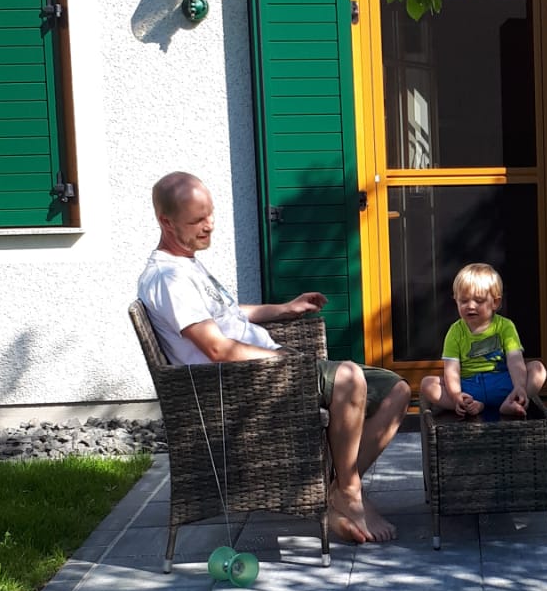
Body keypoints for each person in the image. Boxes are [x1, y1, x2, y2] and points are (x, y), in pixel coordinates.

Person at [137, 171, 410, 545]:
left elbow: (226, 316)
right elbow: (216, 348)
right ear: (165, 221)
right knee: (348, 379)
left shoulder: (187, 264)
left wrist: (283, 309)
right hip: (239, 387)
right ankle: (348, 491)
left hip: (264, 369)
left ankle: (335, 490)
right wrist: (279, 357)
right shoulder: (168, 278)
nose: (209, 226)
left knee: (397, 390)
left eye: (210, 214)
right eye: (197, 220)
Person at [419, 261, 547, 418]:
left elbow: (515, 361)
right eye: (464, 301)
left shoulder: (505, 326)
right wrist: (456, 394)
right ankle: (465, 405)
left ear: (495, 302)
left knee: (538, 369)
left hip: (503, 382)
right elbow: (451, 370)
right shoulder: (455, 331)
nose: (470, 306)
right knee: (428, 384)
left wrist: (520, 386)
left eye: (478, 301)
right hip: (469, 387)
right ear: (456, 301)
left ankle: (512, 401)